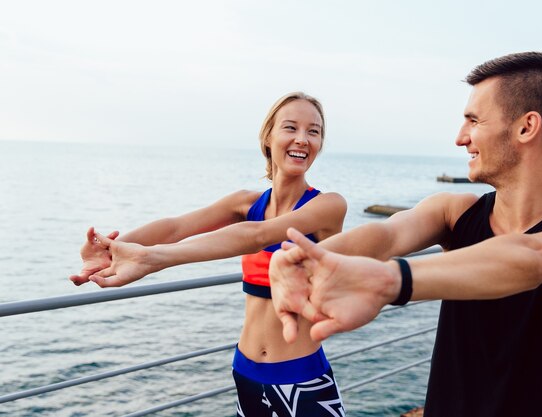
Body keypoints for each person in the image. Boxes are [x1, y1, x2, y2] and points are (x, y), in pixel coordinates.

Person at [269, 52, 542, 417]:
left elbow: (534, 257)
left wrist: (390, 281)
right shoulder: (456, 213)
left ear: (526, 127)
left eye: (473, 120)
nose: (460, 138)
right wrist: (303, 260)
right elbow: (386, 235)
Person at [69, 92, 348, 417]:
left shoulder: (328, 206)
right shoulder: (247, 203)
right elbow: (176, 227)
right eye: (291, 128)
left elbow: (256, 236)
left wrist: (154, 258)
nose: (302, 139)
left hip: (302, 379)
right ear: (268, 136)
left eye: (313, 131)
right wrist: (112, 249)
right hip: (246, 374)